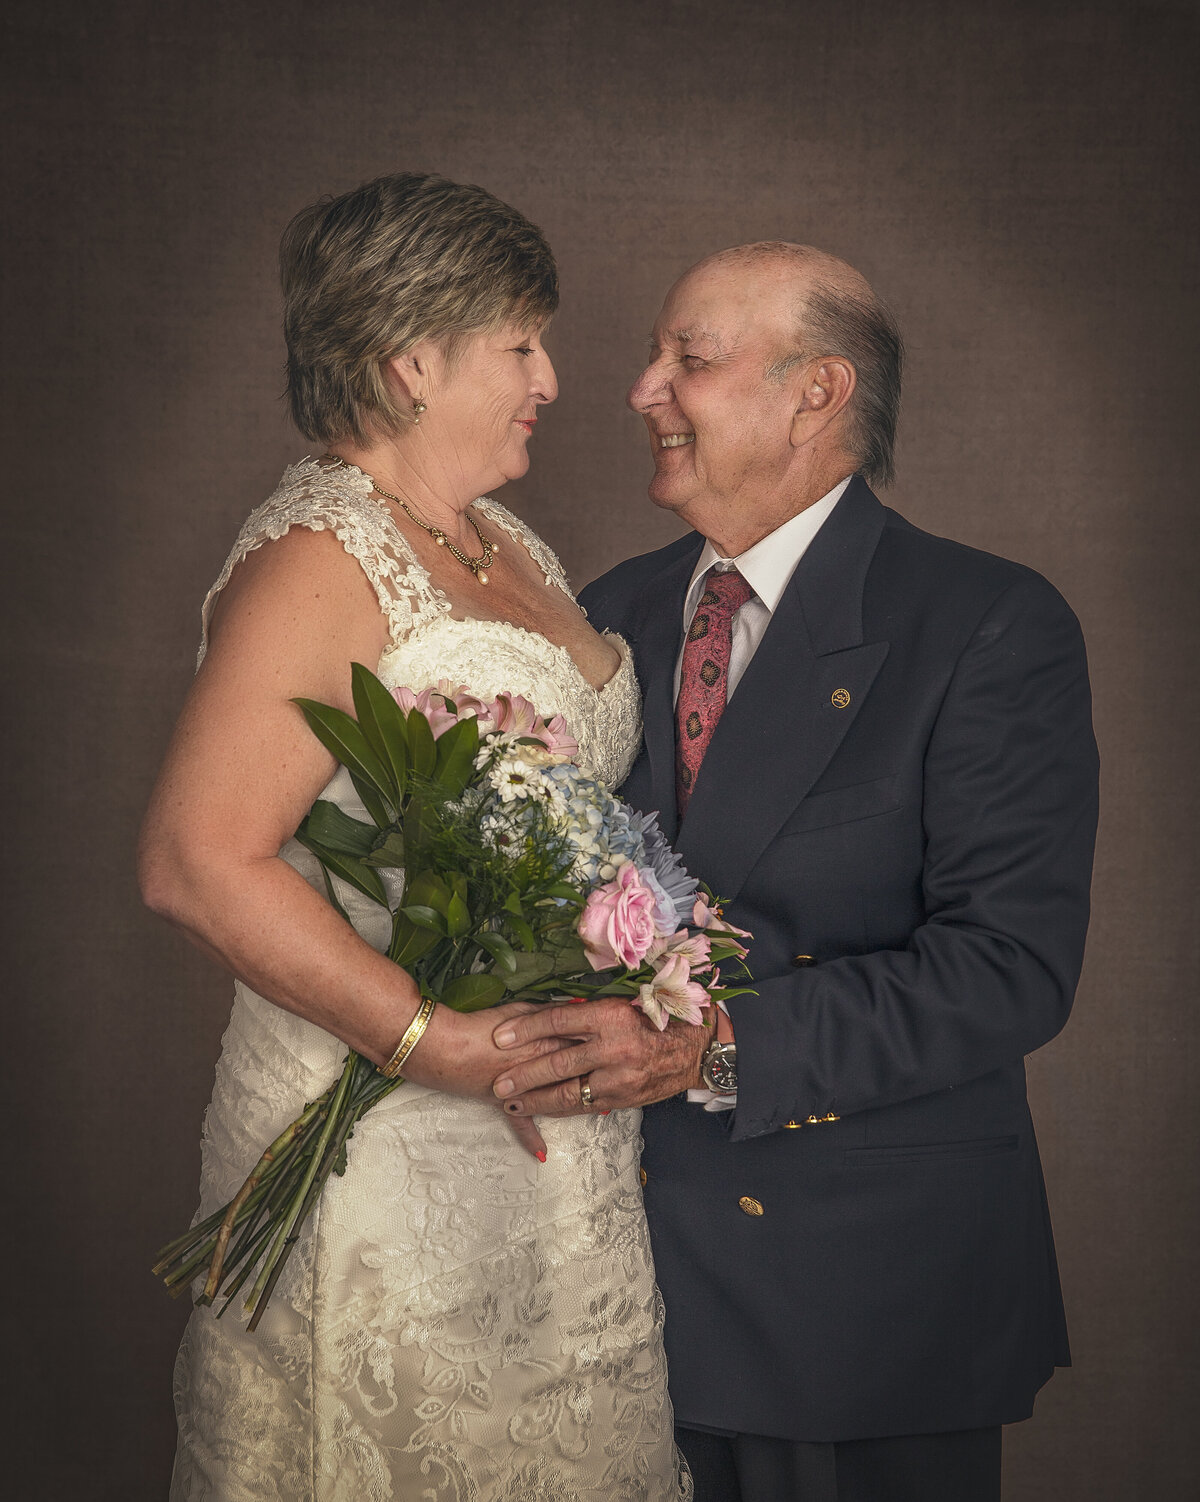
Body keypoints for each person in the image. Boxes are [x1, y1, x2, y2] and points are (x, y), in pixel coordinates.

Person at [490, 242, 1099, 1501]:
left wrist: (716, 1045)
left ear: (816, 393)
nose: (641, 388)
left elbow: (1009, 971)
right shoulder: (614, 610)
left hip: (857, 1305)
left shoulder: (987, 621)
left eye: (688, 360)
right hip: (611, 1295)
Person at [139, 172, 690, 1500]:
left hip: (560, 1166)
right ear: (407, 360)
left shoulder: (514, 547)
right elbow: (194, 856)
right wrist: (428, 1039)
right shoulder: (318, 561)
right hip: (391, 1138)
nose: (551, 375)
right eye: (520, 344)